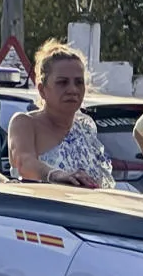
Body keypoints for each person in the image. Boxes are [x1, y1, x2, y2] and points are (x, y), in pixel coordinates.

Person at [7, 41, 113, 188]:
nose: (72, 90)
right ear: (42, 89)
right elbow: (24, 162)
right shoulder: (24, 123)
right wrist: (55, 175)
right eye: (62, 82)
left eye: (78, 82)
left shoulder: (86, 127)